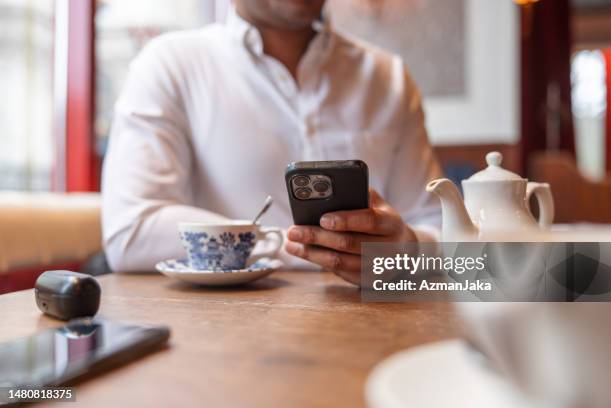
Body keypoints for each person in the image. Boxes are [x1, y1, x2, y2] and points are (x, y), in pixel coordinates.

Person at [101, 0, 443, 286]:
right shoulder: (169, 65)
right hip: (225, 335)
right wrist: (300, 247)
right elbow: (131, 232)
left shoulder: (389, 78)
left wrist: (409, 252)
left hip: (380, 325)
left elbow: (439, 227)